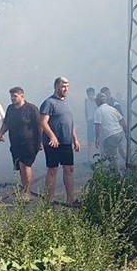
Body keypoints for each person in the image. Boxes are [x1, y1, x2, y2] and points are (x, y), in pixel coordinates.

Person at [40, 76, 80, 205]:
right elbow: (43, 122)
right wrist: (52, 136)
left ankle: (70, 199)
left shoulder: (67, 104)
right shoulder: (49, 103)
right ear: (56, 87)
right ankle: (49, 200)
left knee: (69, 169)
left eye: (67, 86)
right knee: (53, 170)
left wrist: (75, 139)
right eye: (63, 86)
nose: (66, 89)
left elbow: (69, 123)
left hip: (66, 142)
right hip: (53, 143)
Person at [0, 86, 42, 193]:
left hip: (29, 143)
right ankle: (25, 189)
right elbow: (6, 122)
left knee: (25, 165)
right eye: (11, 96)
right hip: (15, 143)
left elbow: (39, 126)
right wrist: (1, 133)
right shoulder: (10, 109)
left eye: (15, 96)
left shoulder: (31, 109)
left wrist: (40, 142)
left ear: (22, 96)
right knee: (20, 167)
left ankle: (27, 192)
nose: (12, 98)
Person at [93, 92, 127, 173]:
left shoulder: (99, 111)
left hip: (110, 135)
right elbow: (122, 121)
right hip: (119, 133)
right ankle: (128, 164)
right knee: (121, 151)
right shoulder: (112, 108)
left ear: (97, 101)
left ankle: (117, 175)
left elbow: (98, 126)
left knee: (113, 156)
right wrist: (126, 133)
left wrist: (97, 138)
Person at [84, 87, 97, 161]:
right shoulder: (86, 101)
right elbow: (86, 111)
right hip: (90, 122)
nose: (90, 95)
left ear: (94, 93)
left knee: (96, 140)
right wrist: (87, 119)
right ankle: (89, 159)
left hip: (95, 122)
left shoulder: (96, 101)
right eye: (88, 94)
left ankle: (97, 158)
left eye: (91, 93)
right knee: (90, 141)